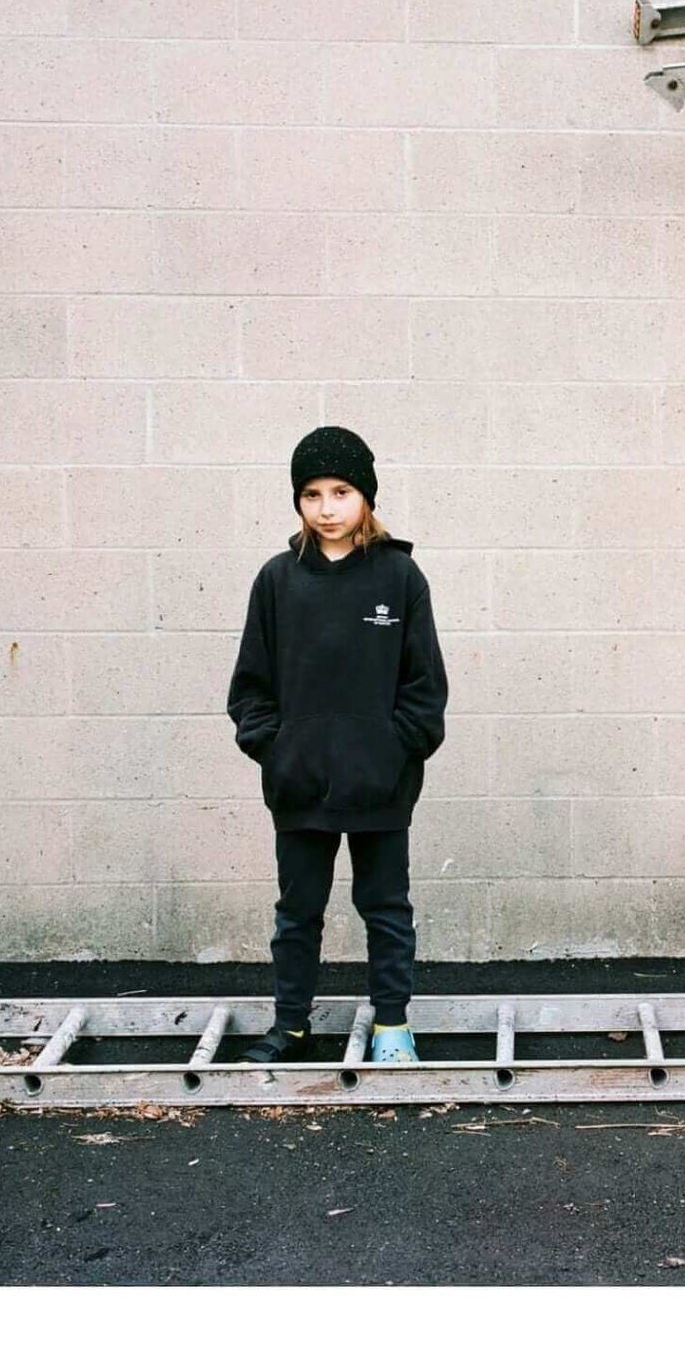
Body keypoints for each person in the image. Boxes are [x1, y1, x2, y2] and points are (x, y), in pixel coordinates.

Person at [226, 426, 449, 1066]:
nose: (327, 508)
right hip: (300, 785)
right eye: (312, 494)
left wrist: (395, 751)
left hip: (380, 786)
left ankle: (392, 1028)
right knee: (297, 913)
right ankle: (291, 1028)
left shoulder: (399, 577)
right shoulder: (277, 580)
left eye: (342, 492)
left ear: (366, 497)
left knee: (385, 908)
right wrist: (277, 750)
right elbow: (250, 688)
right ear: (298, 501)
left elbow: (425, 687)